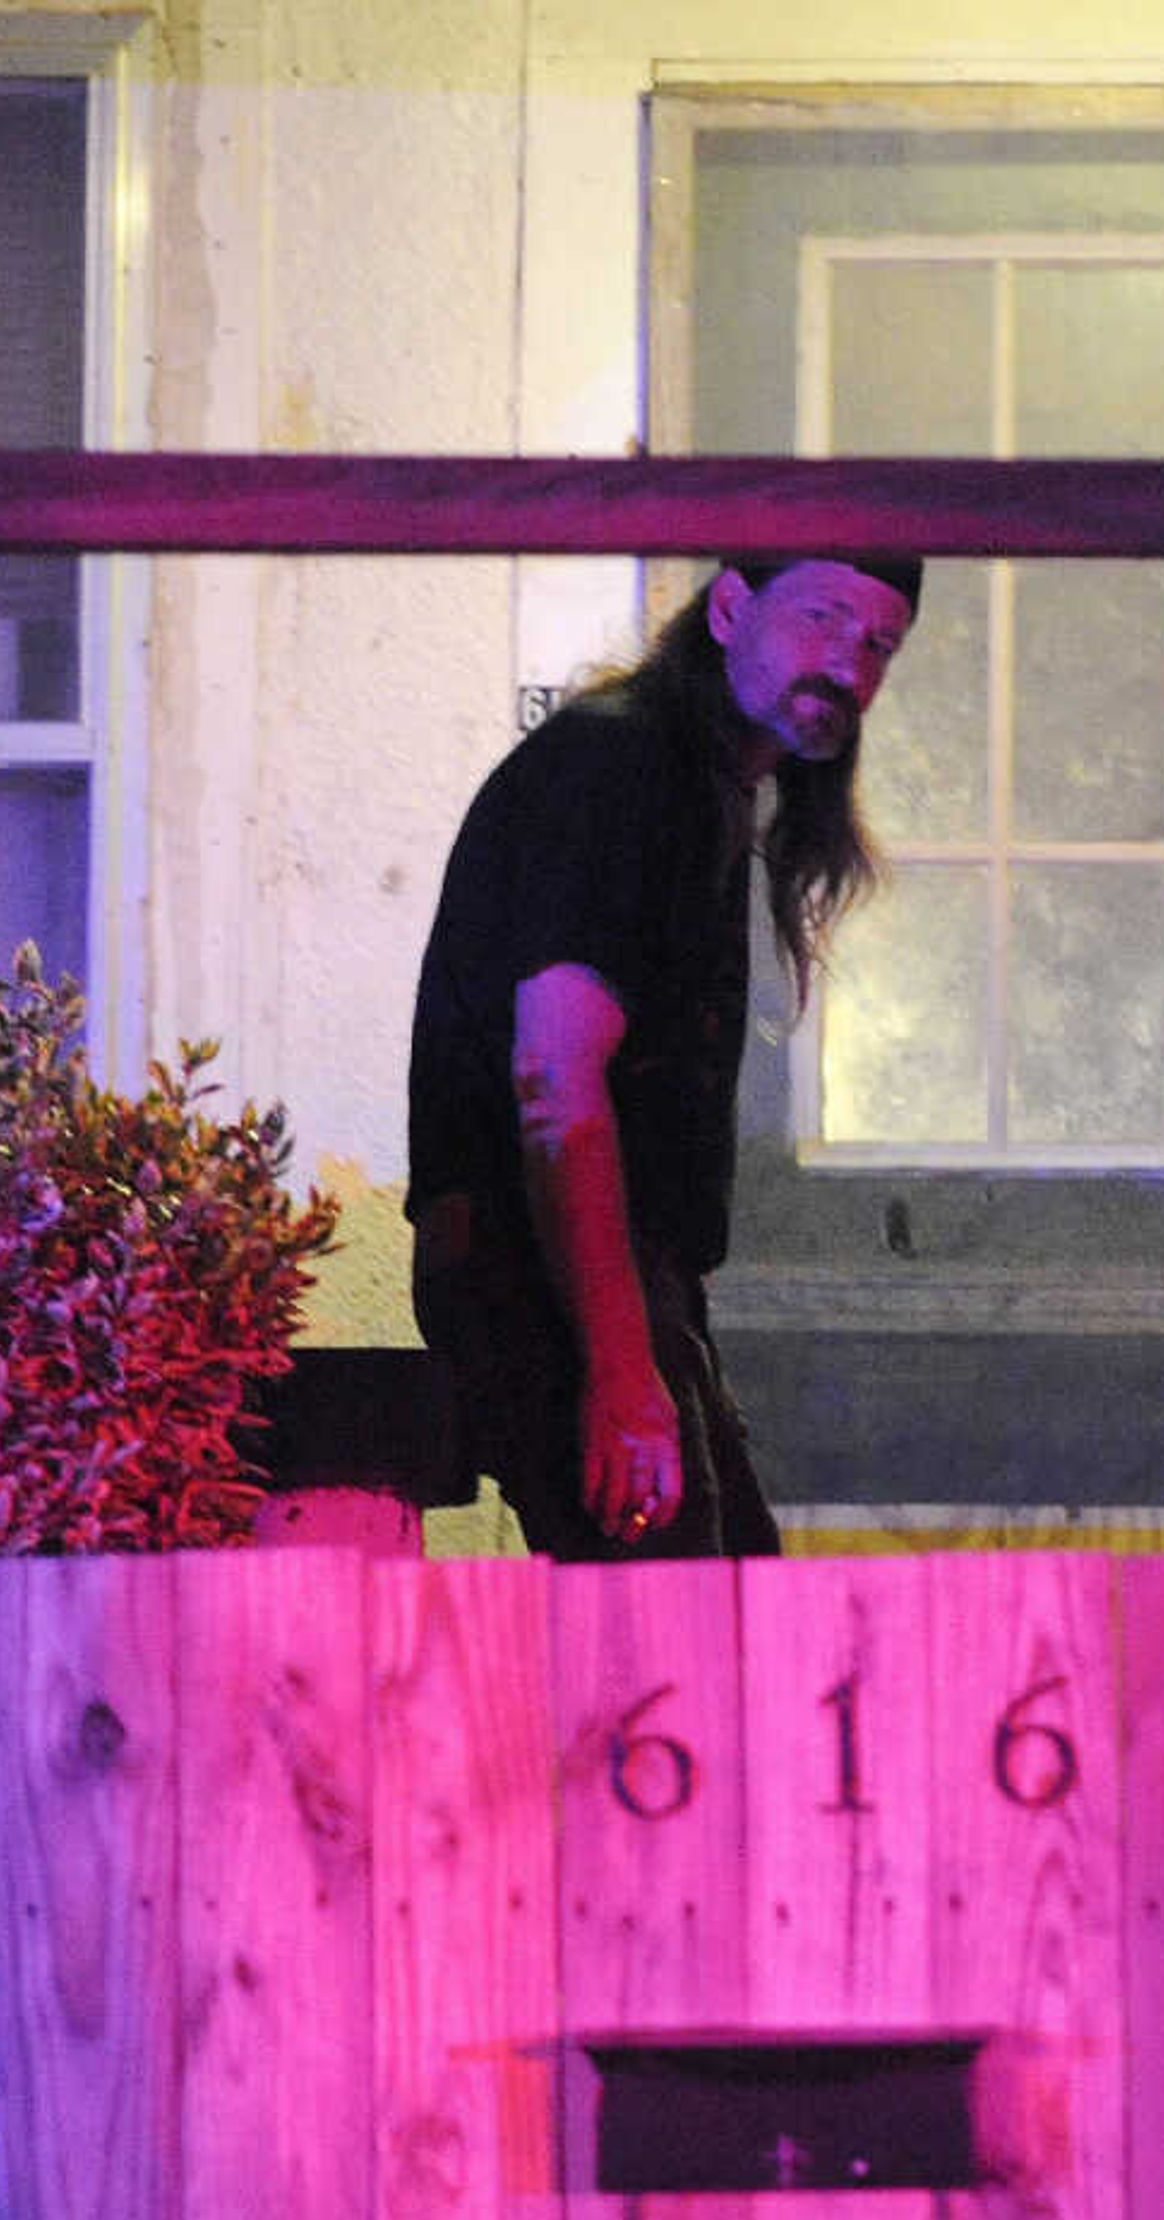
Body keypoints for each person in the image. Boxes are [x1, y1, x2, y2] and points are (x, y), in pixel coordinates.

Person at [405, 550, 921, 1559]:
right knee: (682, 1644)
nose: (849, 667)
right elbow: (556, 1081)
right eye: (821, 617)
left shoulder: (684, 782)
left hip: (580, 1272)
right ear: (729, 609)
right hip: (545, 1270)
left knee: (717, 1627)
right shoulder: (625, 768)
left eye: (878, 644)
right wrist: (621, 1367)